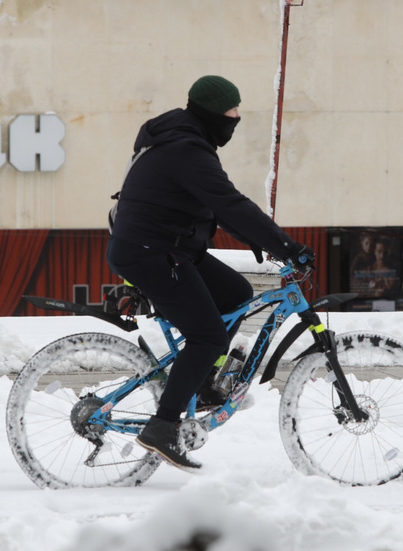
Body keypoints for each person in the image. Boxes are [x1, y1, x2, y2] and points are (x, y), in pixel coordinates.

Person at [106, 75, 315, 472]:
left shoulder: (184, 140)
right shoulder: (186, 149)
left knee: (236, 293)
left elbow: (216, 208)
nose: (236, 119)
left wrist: (265, 243)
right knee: (207, 336)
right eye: (232, 112)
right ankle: (162, 427)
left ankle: (199, 384)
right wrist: (289, 248)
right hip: (148, 254)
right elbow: (231, 203)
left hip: (169, 247)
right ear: (213, 112)